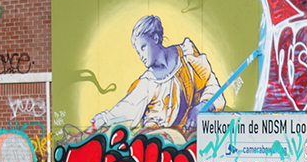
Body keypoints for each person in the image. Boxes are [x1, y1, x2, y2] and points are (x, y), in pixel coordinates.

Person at [92, 15, 224, 134]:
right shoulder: (147, 82)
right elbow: (127, 108)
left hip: (193, 141)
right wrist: (104, 118)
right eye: (138, 52)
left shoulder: (186, 54)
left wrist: (203, 106)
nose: (141, 56)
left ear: (155, 38)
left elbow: (211, 84)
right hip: (160, 147)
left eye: (143, 48)